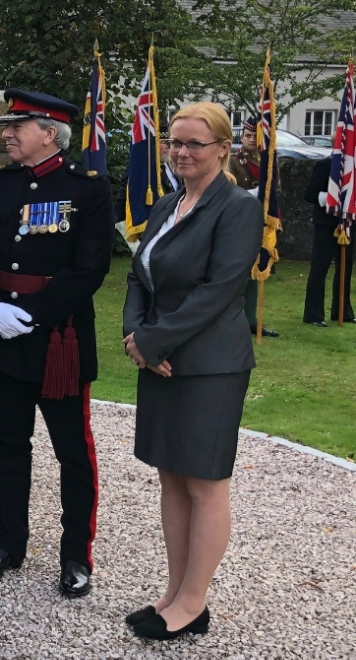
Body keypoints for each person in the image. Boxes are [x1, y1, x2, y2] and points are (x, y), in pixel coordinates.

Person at [0, 89, 115, 598]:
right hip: (4, 333)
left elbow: (90, 268)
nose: (7, 134)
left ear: (49, 133)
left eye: (17, 126)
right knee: (9, 443)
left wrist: (30, 314)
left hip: (56, 340)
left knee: (72, 451)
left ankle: (76, 556)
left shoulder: (88, 190)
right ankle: (9, 544)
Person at [123, 102, 263, 640]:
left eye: (193, 144)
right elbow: (138, 275)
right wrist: (135, 336)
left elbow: (220, 290)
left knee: (204, 483)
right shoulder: (167, 204)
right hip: (159, 360)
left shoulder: (238, 208)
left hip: (208, 366)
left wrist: (153, 339)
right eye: (173, 143)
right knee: (171, 478)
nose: (180, 152)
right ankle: (174, 592)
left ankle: (194, 603)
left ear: (223, 149)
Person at [226, 116, 279, 338]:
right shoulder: (233, 160)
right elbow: (228, 189)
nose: (249, 140)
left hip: (260, 222)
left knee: (255, 271)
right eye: (246, 135)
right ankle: (233, 318)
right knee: (238, 272)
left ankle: (251, 320)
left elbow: (276, 189)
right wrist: (253, 195)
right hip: (238, 220)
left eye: (253, 136)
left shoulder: (267, 162)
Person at [302, 157, 355, 326]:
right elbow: (309, 194)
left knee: (345, 268)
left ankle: (342, 311)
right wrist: (331, 198)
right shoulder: (325, 165)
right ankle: (313, 315)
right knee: (320, 267)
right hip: (326, 224)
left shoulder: (352, 167)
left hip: (348, 222)